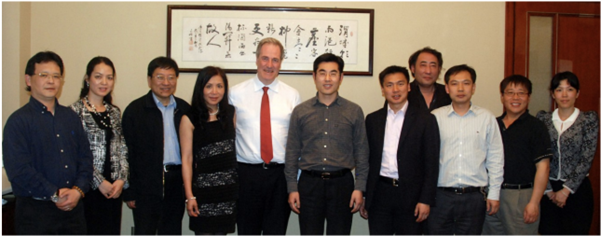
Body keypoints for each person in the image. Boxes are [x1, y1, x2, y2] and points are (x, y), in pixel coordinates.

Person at [2, 51, 93, 234]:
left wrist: (77, 190)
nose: (51, 81)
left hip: (74, 212)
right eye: (44, 75)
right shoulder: (18, 121)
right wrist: (55, 193)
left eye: (56, 76)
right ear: (29, 80)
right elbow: (19, 170)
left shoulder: (70, 117)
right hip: (36, 214)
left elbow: (85, 159)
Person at [285, 53, 369, 235]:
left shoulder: (354, 111)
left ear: (341, 77)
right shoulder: (301, 112)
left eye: (333, 73)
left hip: (343, 185)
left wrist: (359, 188)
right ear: (314, 77)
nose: (328, 78)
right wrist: (292, 188)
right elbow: (291, 153)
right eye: (322, 73)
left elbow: (362, 153)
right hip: (309, 185)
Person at [229, 37, 301, 235]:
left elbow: (297, 142)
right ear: (256, 59)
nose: (269, 65)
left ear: (281, 62)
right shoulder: (235, 94)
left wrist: (296, 179)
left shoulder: (292, 96)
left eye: (275, 60)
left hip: (280, 176)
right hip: (246, 175)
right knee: (247, 231)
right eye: (265, 58)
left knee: (276, 231)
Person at [362, 66, 440, 235]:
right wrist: (366, 196)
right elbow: (368, 161)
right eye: (389, 85)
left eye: (400, 84)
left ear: (409, 86)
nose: (395, 90)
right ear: (382, 90)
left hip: (412, 196)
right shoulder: (373, 119)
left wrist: (425, 200)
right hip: (380, 193)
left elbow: (431, 163)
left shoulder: (425, 119)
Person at [428, 64, 504, 235]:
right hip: (440, 197)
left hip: (474, 197)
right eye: (454, 84)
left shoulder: (487, 118)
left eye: (466, 83)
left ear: (474, 87)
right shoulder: (435, 117)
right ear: (447, 88)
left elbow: (495, 158)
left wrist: (494, 193)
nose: (460, 88)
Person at [122, 56, 190, 235]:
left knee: (172, 230)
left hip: (176, 182)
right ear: (149, 79)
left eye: (171, 77)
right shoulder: (135, 111)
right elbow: (127, 153)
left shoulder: (184, 109)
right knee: (145, 231)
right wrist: (129, 191)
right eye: (160, 77)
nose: (166, 82)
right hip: (146, 186)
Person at [482, 75, 552, 235]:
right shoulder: (493, 124)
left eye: (521, 93)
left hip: (521, 197)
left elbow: (544, 167)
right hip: (492, 193)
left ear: (529, 97)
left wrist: (534, 202)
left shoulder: (536, 127)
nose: (515, 97)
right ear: (502, 96)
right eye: (510, 92)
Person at [70, 56, 129, 235]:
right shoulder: (74, 112)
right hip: (87, 188)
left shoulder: (114, 112)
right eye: (98, 76)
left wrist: (121, 179)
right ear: (87, 79)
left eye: (109, 77)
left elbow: (122, 149)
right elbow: (76, 154)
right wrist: (99, 182)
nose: (104, 82)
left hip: (114, 189)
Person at [536, 71, 598, 235]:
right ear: (553, 93)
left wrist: (565, 191)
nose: (564, 94)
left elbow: (587, 158)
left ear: (577, 93)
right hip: (547, 189)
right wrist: (548, 191)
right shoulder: (543, 119)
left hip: (577, 190)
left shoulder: (588, 119)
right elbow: (537, 155)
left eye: (569, 89)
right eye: (559, 89)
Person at [180, 66, 238, 235]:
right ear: (201, 88)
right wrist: (190, 196)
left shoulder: (230, 113)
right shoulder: (189, 118)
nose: (214, 91)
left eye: (219, 86)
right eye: (209, 86)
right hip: (203, 193)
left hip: (227, 191)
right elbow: (187, 159)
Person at [407, 47, 451, 111]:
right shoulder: (403, 94)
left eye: (433, 66)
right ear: (413, 68)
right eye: (423, 65)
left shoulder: (449, 93)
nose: (428, 71)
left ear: (439, 69)